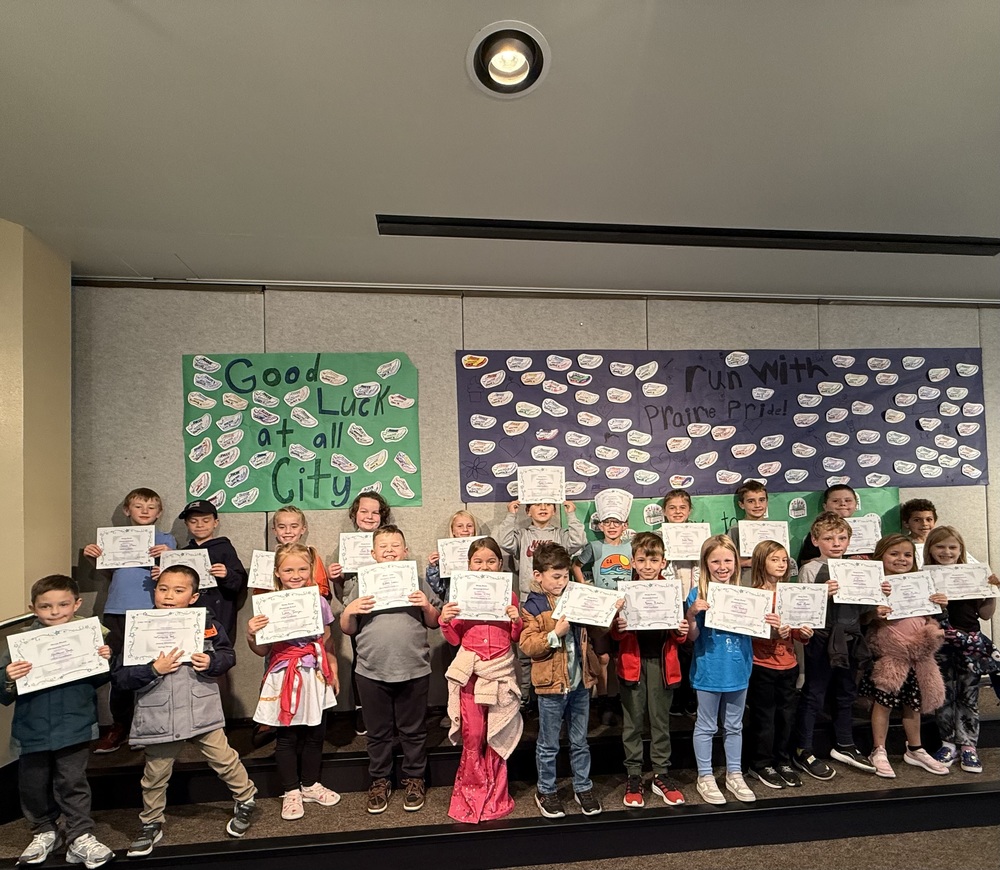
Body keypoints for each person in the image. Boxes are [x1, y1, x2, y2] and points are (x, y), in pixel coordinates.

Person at [114, 565, 257, 857]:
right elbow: (121, 677)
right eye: (163, 589)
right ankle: (151, 822)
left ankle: (246, 799)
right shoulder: (138, 625)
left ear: (193, 597)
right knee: (155, 775)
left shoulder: (205, 621)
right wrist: (153, 669)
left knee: (225, 760)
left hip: (200, 709)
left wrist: (211, 663)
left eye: (179, 591)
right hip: (158, 715)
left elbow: (227, 655)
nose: (168, 596)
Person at [1, 575, 114, 868]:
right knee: (33, 783)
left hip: (75, 725)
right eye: (46, 606)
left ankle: (79, 835)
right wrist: (8, 677)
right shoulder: (20, 644)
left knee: (73, 781)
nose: (55, 611)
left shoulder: (90, 635)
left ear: (76, 604)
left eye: (63, 604)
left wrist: (105, 659)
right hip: (32, 728)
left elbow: (101, 679)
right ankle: (43, 830)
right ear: (33, 608)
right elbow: (3, 692)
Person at [340, 524, 442, 814]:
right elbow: (348, 629)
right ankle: (380, 779)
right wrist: (349, 611)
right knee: (378, 731)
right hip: (371, 671)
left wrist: (426, 606)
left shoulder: (417, 580)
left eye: (395, 545)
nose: (389, 550)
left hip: (414, 668)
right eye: (383, 546)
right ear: (372, 554)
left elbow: (435, 622)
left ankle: (414, 777)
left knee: (413, 730)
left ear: (406, 551)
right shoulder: (362, 583)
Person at [247, 543, 341, 820]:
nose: (296, 574)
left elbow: (327, 639)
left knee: (315, 734)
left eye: (302, 568)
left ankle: (310, 785)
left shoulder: (319, 601)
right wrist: (251, 634)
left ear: (311, 570)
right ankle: (290, 791)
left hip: (315, 673)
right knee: (287, 737)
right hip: (283, 673)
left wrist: (332, 669)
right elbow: (262, 650)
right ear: (277, 573)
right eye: (288, 569)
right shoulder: (268, 605)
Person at [82, 487, 175, 753]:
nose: (145, 511)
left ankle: (149, 726)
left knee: (153, 668)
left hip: (152, 611)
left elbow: (175, 575)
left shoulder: (166, 539)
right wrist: (94, 558)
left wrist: (167, 557)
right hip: (117, 611)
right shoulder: (113, 539)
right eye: (138, 506)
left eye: (151, 507)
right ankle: (120, 725)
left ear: (159, 513)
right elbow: (112, 573)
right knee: (119, 670)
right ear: (127, 510)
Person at [440, 537, 523, 823]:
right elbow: (454, 638)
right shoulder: (460, 595)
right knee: (473, 734)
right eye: (478, 561)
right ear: (469, 565)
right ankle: (471, 796)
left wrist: (516, 620)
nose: (484, 566)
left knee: (496, 732)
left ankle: (496, 797)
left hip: (500, 672)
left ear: (500, 564)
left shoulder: (508, 595)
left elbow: (515, 637)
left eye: (491, 561)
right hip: (472, 674)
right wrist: (445, 620)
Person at [520, 541, 604, 819]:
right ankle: (546, 789)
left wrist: (608, 610)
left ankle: (583, 786)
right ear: (538, 575)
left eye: (566, 575)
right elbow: (528, 645)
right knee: (549, 743)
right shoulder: (532, 606)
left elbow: (595, 627)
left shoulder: (576, 596)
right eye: (556, 576)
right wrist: (555, 633)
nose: (562, 581)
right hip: (550, 686)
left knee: (580, 741)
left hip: (578, 684)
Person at [793, 512, 877, 779]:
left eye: (842, 538)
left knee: (846, 692)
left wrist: (878, 594)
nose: (836, 543)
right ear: (816, 540)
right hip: (821, 639)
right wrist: (820, 593)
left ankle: (845, 743)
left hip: (851, 637)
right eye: (829, 538)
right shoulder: (810, 568)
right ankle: (802, 748)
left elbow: (862, 610)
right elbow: (800, 606)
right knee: (814, 693)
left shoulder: (858, 568)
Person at [861, 534, 948, 778]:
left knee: (914, 703)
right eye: (894, 554)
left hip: (918, 657)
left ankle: (915, 748)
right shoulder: (874, 584)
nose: (901, 559)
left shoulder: (923, 583)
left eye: (907, 555)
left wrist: (940, 604)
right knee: (884, 703)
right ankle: (879, 749)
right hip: (890, 656)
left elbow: (934, 615)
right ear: (881, 557)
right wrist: (873, 612)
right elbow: (863, 618)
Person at [612, 532, 688, 808]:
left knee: (660, 721)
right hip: (632, 664)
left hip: (662, 664)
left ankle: (661, 774)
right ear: (632, 561)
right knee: (632, 722)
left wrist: (681, 631)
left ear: (663, 562)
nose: (647, 565)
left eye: (653, 559)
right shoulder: (624, 591)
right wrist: (617, 629)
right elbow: (615, 633)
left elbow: (679, 635)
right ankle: (634, 774)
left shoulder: (671, 590)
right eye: (641, 559)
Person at [684, 535, 756, 805]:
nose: (722, 566)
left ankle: (734, 773)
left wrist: (771, 621)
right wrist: (691, 614)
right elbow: (691, 638)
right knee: (706, 726)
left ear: (737, 562)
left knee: (734, 726)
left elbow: (759, 631)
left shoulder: (748, 593)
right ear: (706, 563)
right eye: (715, 561)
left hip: (739, 669)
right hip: (709, 670)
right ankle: (705, 776)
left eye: (727, 560)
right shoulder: (697, 594)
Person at [925, 525, 1000, 773]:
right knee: (944, 694)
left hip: (971, 642)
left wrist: (992, 592)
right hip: (940, 643)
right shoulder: (924, 576)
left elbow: (986, 615)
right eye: (940, 546)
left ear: (960, 550)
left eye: (952, 547)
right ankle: (948, 743)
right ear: (930, 549)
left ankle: (968, 745)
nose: (946, 552)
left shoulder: (975, 573)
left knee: (969, 694)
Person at [497, 498, 587, 706]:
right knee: (528, 649)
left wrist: (571, 515)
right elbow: (504, 542)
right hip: (530, 597)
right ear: (528, 511)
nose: (543, 508)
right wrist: (511, 514)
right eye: (537, 504)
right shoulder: (523, 534)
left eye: (548, 504)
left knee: (560, 643)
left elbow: (579, 541)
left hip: (558, 598)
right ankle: (528, 694)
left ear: (555, 510)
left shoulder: (560, 534)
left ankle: (561, 689)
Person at [744, 541, 812, 790]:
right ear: (761, 562)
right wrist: (772, 633)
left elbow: (798, 634)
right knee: (765, 718)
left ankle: (782, 760)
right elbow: (749, 633)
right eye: (775, 559)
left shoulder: (790, 593)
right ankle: (760, 764)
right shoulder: (753, 594)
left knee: (786, 716)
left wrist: (803, 632)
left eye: (784, 559)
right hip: (762, 665)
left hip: (789, 664)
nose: (781, 564)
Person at [328, 490, 392, 736]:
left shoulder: (388, 541)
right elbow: (340, 591)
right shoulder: (345, 545)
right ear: (354, 515)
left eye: (375, 512)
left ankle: (387, 709)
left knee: (388, 657)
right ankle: (361, 709)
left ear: (382, 516)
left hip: (386, 609)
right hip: (357, 612)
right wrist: (337, 577)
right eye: (364, 511)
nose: (369, 516)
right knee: (361, 661)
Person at [573, 488, 634, 726]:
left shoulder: (631, 547)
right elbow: (577, 565)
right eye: (607, 522)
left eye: (616, 522)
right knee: (604, 656)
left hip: (625, 609)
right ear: (600, 525)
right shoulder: (594, 546)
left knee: (621, 656)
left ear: (625, 524)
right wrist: (585, 585)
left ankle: (620, 698)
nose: (611, 526)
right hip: (601, 610)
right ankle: (606, 701)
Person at [426, 509, 482, 728]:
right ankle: (456, 713)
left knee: (480, 667)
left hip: (479, 618)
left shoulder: (483, 554)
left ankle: (479, 712)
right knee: (455, 666)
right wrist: (433, 567)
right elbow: (437, 588)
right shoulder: (446, 555)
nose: (465, 530)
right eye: (460, 526)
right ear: (452, 530)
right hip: (456, 619)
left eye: (469, 526)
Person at [173, 499, 247, 641]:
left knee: (217, 652)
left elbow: (240, 582)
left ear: (215, 523)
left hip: (220, 615)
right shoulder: (182, 554)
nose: (200, 525)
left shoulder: (225, 549)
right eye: (193, 521)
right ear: (186, 524)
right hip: (189, 615)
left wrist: (227, 574)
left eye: (206, 520)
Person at [660, 488, 698, 718]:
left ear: (689, 510)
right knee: (673, 650)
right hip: (669, 598)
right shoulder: (658, 535)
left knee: (691, 650)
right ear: (664, 511)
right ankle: (673, 699)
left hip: (692, 597)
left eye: (682, 507)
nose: (677, 511)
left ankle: (690, 697)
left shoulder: (699, 534)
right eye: (672, 508)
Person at [271, 505, 331, 599]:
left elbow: (322, 589)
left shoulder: (311, 555)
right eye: (282, 527)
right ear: (275, 530)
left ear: (303, 529)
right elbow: (259, 593)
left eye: (294, 526)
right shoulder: (266, 560)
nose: (288, 531)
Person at [797, 484, 861, 567]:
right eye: (835, 501)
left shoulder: (869, 529)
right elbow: (804, 562)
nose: (842, 504)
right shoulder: (820, 530)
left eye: (848, 500)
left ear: (856, 505)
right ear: (825, 506)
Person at [727, 480, 771, 587]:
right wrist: (748, 563)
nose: (757, 505)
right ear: (741, 504)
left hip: (770, 582)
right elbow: (727, 561)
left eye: (762, 500)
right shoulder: (735, 530)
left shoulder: (775, 529)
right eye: (751, 501)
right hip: (746, 582)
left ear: (767, 502)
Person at [899, 499, 937, 568]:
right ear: (906, 523)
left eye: (929, 519)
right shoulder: (902, 545)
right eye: (917, 520)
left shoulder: (938, 544)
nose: (924, 524)